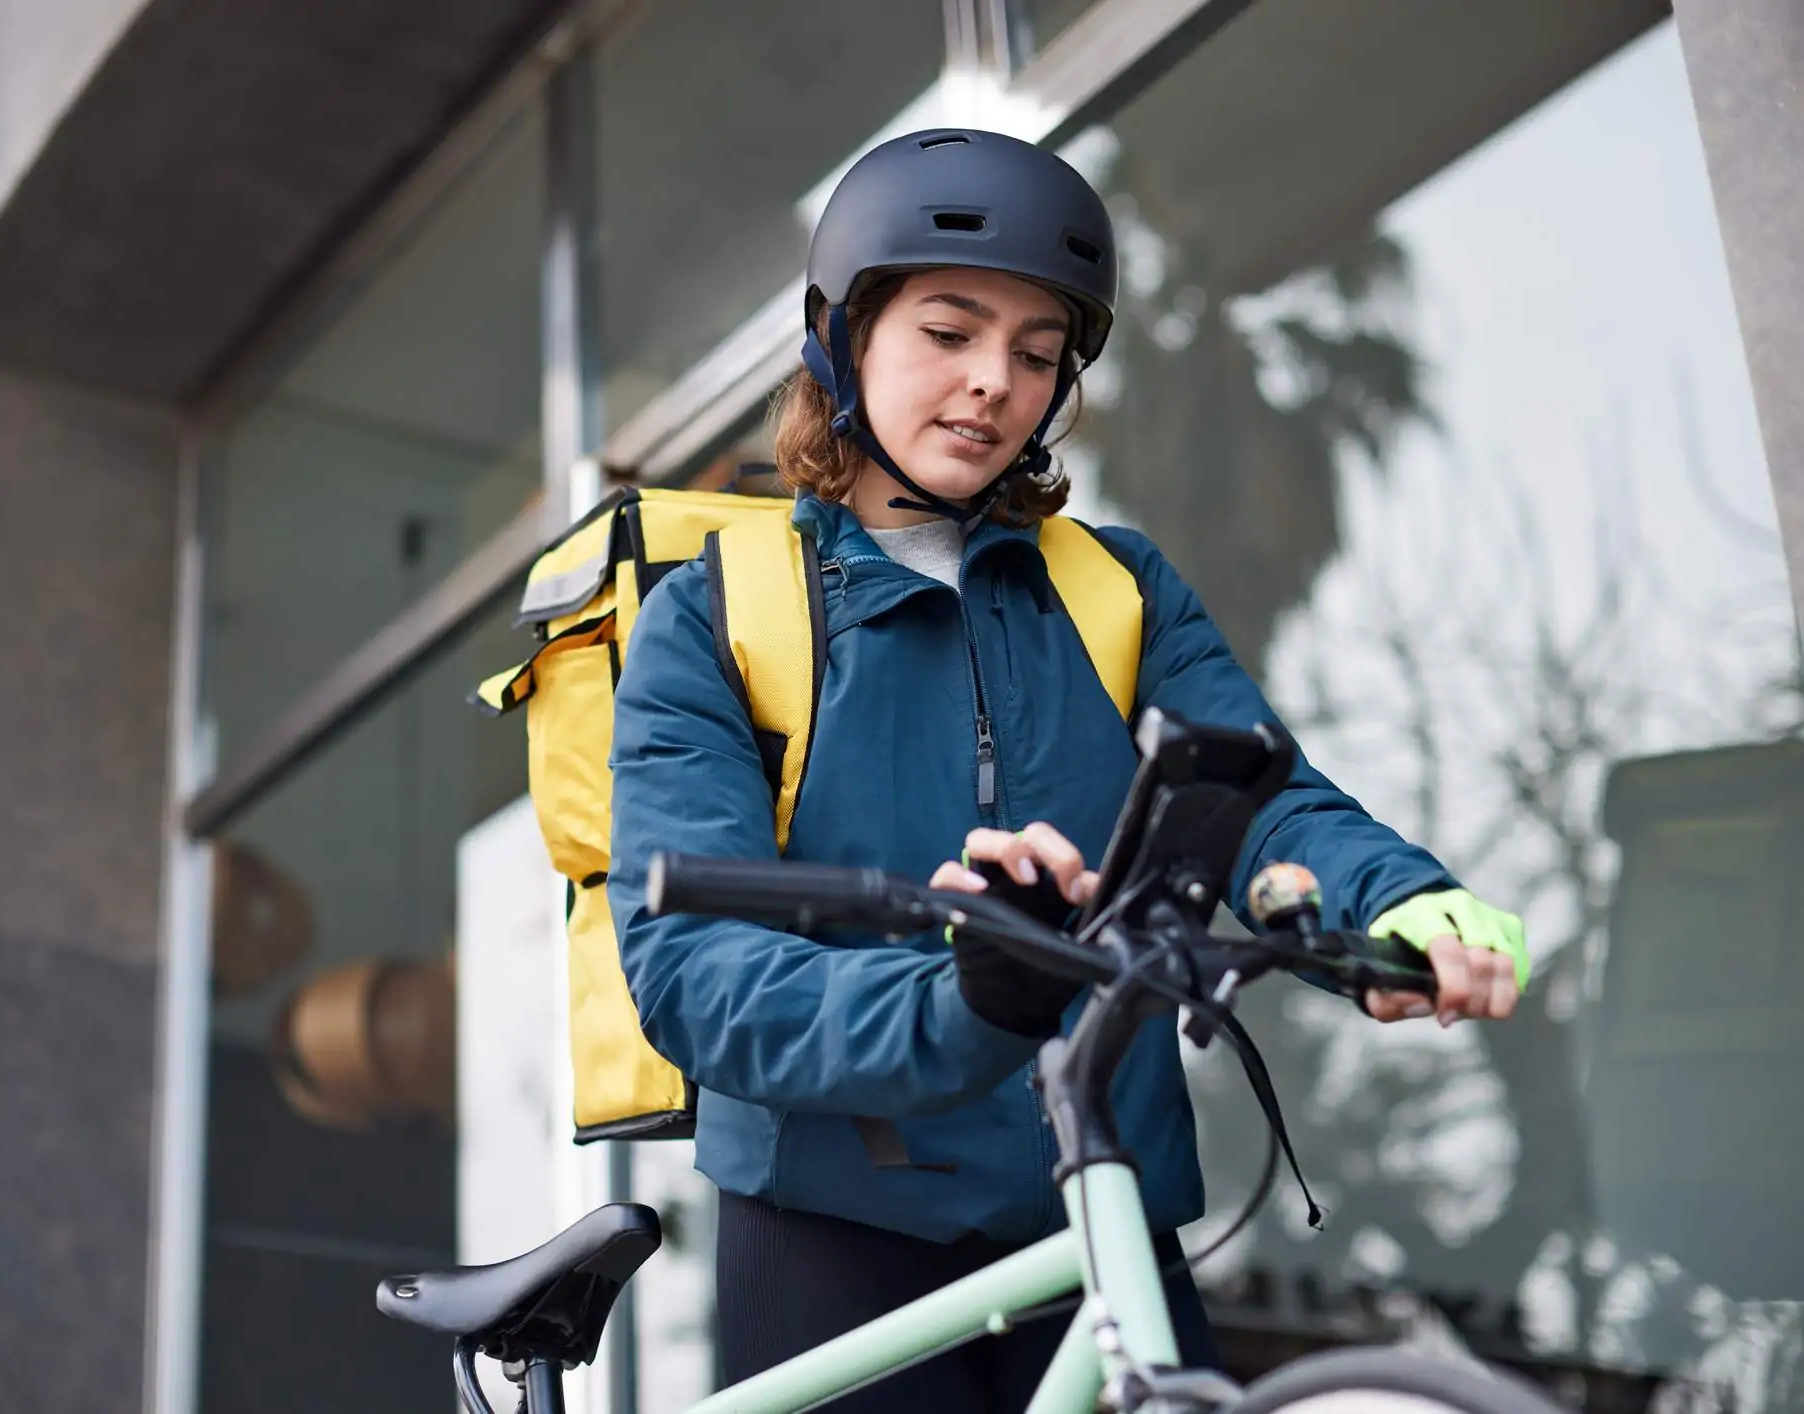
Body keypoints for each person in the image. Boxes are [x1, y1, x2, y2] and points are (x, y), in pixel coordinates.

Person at [605, 128, 1526, 1412]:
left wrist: (1392, 898)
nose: (993, 383)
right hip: (833, 1228)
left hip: (1100, 1206)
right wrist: (966, 998)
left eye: (1037, 356)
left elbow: (1261, 802)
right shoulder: (721, 614)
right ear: (841, 334)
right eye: (948, 331)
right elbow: (691, 966)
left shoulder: (1114, 589)